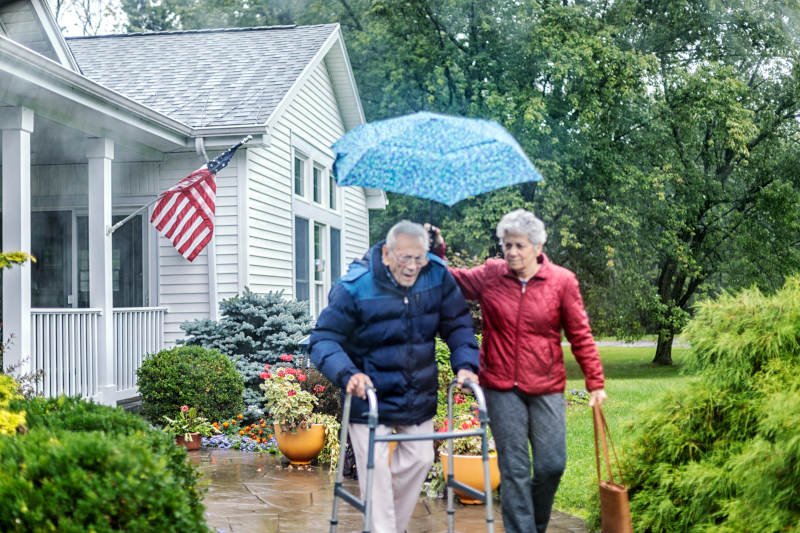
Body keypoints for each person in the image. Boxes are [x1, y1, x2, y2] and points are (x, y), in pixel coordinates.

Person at [427, 210, 606, 533]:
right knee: (514, 469)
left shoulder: (561, 281)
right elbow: (450, 282)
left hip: (546, 385)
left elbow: (580, 334)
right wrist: (437, 252)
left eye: (519, 246)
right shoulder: (492, 274)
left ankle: (533, 526)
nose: (511, 252)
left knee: (552, 464)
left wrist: (595, 382)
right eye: (506, 245)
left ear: (538, 246)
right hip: (501, 385)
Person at [309, 220, 480, 533]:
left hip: (417, 395)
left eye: (419, 258)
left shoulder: (437, 276)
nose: (413, 266)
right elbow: (323, 340)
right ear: (386, 254)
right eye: (405, 258)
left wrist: (466, 364)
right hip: (368, 397)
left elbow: (457, 325)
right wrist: (349, 374)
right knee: (377, 474)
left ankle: (388, 525)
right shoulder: (354, 286)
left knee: (418, 461)